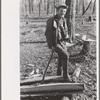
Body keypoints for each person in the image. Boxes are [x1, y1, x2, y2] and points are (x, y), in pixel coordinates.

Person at [45, 4, 73, 82]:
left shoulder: (64, 20)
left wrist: (67, 39)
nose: (62, 13)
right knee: (66, 56)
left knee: (61, 58)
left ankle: (59, 73)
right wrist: (51, 45)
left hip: (62, 42)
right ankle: (65, 77)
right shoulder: (51, 20)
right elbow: (47, 33)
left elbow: (65, 32)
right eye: (61, 11)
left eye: (64, 11)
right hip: (55, 43)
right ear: (57, 11)